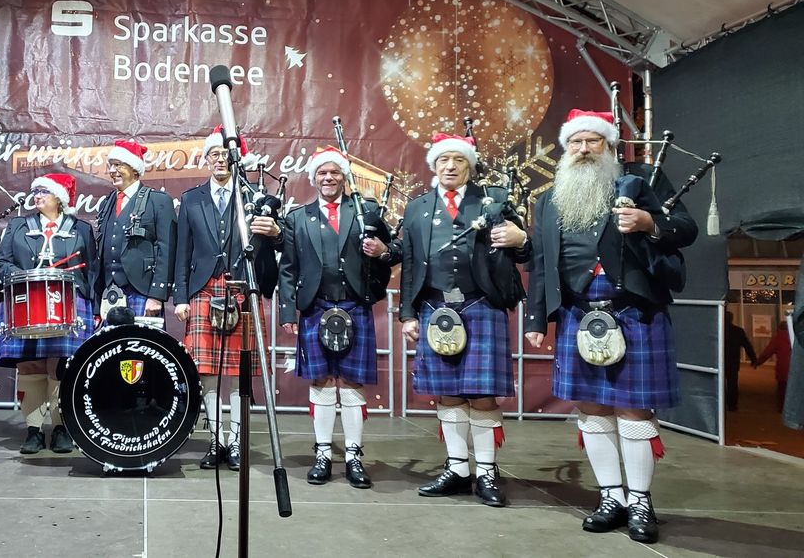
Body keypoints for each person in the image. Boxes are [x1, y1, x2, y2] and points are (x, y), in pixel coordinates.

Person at [524, 109, 697, 544]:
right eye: (576, 143)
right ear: (566, 149)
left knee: (635, 410)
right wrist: (537, 318)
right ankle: (611, 496)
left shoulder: (644, 179)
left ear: (609, 145)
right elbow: (543, 264)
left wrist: (649, 222)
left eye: (593, 142)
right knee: (591, 409)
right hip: (578, 313)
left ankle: (640, 499)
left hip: (635, 309)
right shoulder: (549, 199)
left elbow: (687, 229)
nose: (583, 150)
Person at [393, 133, 529, 507]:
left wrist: (519, 239)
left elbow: (525, 250)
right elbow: (408, 266)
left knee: (482, 395)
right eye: (443, 160)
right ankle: (457, 469)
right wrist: (407, 313)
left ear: (469, 165)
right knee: (448, 394)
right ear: (434, 166)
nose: (450, 166)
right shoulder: (417, 207)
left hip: (481, 305)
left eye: (458, 160)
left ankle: (486, 471)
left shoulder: (494, 200)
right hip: (434, 307)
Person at [278, 146, 397, 489]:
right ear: (314, 178)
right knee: (322, 382)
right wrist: (289, 309)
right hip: (316, 307)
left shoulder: (366, 211)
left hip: (354, 306)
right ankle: (324, 455)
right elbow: (288, 269)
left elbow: (386, 257)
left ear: (344, 176)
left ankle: (355, 456)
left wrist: (381, 253)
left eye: (334, 173)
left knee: (351, 383)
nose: (328, 178)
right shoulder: (298, 218)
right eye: (322, 173)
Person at [173, 127, 281, 471]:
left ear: (236, 159)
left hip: (241, 289)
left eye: (225, 155)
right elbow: (181, 253)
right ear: (206, 160)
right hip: (203, 289)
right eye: (214, 155)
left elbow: (268, 247)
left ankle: (236, 443)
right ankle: (216, 442)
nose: (220, 160)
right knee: (206, 374)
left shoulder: (251, 196)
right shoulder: (191, 199)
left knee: (238, 374)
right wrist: (181, 296)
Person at [0, 173, 97, 454]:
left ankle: (61, 427)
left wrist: (95, 307)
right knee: (29, 366)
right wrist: (30, 275)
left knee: (61, 366)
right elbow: (2, 264)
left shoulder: (81, 229)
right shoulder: (17, 226)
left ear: (59, 198)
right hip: (26, 303)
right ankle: (34, 430)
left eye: (43, 192)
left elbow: (93, 270)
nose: (36, 196)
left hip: (69, 304)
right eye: (35, 192)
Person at [93, 139, 176, 321]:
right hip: (110, 294)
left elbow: (166, 250)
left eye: (118, 165)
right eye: (111, 165)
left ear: (134, 169)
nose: (112, 170)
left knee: (142, 348)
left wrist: (156, 295)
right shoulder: (107, 204)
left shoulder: (158, 201)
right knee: (112, 348)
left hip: (143, 293)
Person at [723, 310, 757, 411]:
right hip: (733, 361)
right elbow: (747, 345)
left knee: (717, 382)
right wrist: (753, 358)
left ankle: (717, 403)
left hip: (719, 361)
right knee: (732, 384)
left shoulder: (717, 329)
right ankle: (732, 405)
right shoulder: (738, 331)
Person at [755, 320, 792, 413]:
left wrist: (757, 362)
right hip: (797, 369)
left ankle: (782, 408)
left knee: (782, 390)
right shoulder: (795, 337)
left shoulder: (778, 338)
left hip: (783, 369)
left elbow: (767, 353)